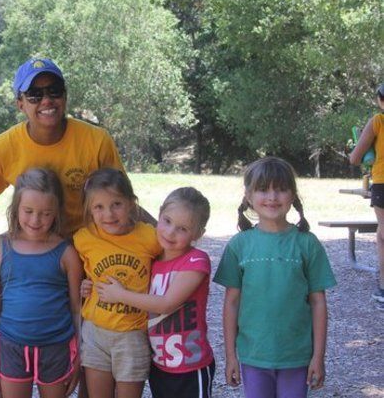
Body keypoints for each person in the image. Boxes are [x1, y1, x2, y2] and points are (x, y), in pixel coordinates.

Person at [0, 57, 152, 235]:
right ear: (20, 104)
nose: (46, 100)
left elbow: (123, 202)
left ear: (65, 95)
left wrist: (165, 232)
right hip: (35, 242)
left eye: (54, 91)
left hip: (90, 243)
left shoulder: (96, 140)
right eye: (34, 94)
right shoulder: (1, 149)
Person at [213, 157, 337, 398]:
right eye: (263, 189)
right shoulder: (239, 245)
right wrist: (230, 357)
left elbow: (318, 302)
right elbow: (231, 303)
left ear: (293, 195)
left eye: (280, 189)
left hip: (296, 356)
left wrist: (318, 356)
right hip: (253, 354)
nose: (272, 197)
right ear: (248, 196)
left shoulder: (307, 244)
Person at [95, 187, 215, 398]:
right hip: (160, 364)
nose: (170, 232)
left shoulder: (196, 260)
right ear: (158, 215)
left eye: (182, 229)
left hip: (190, 365)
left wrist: (120, 295)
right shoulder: (151, 260)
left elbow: (166, 304)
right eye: (167, 221)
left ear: (198, 234)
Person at [0, 168, 83, 398]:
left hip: (56, 348)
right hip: (11, 347)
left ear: (57, 212)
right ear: (15, 208)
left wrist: (80, 353)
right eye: (28, 211)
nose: (36, 220)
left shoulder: (66, 253)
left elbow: (77, 307)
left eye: (45, 213)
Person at [74, 168, 162, 398]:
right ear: (89, 210)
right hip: (95, 332)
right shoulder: (84, 238)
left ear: (132, 204)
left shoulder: (150, 237)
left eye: (116, 204)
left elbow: (170, 264)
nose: (108, 214)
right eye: (99, 207)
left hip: (131, 334)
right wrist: (85, 284)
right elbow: (85, 271)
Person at [349, 83, 384, 310]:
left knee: (383, 235)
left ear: (381, 99)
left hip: (382, 182)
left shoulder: (378, 121)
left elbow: (355, 158)